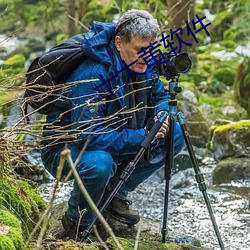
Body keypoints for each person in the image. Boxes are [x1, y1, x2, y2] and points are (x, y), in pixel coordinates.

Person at [41, 9, 185, 241]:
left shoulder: (143, 62)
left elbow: (159, 96)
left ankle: (115, 193)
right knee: (100, 164)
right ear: (119, 42)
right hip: (67, 150)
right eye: (140, 50)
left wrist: (161, 114)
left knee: (175, 132)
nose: (147, 58)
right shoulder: (92, 75)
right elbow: (87, 135)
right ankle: (76, 221)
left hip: (116, 136)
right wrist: (142, 135)